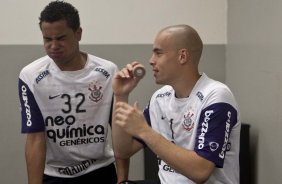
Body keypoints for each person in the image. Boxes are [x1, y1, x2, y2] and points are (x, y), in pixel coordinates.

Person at [112, 24, 241, 184]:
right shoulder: (160, 97)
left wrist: (144, 131)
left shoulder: (216, 95)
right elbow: (123, 151)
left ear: (182, 56)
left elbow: (201, 171)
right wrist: (121, 95)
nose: (151, 61)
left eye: (158, 53)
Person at [18, 1, 129, 184]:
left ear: (78, 33)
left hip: (101, 171)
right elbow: (35, 138)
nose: (53, 46)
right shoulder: (30, 76)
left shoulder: (107, 71)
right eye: (47, 39)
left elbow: (118, 130)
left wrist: (123, 179)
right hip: (55, 176)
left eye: (61, 38)